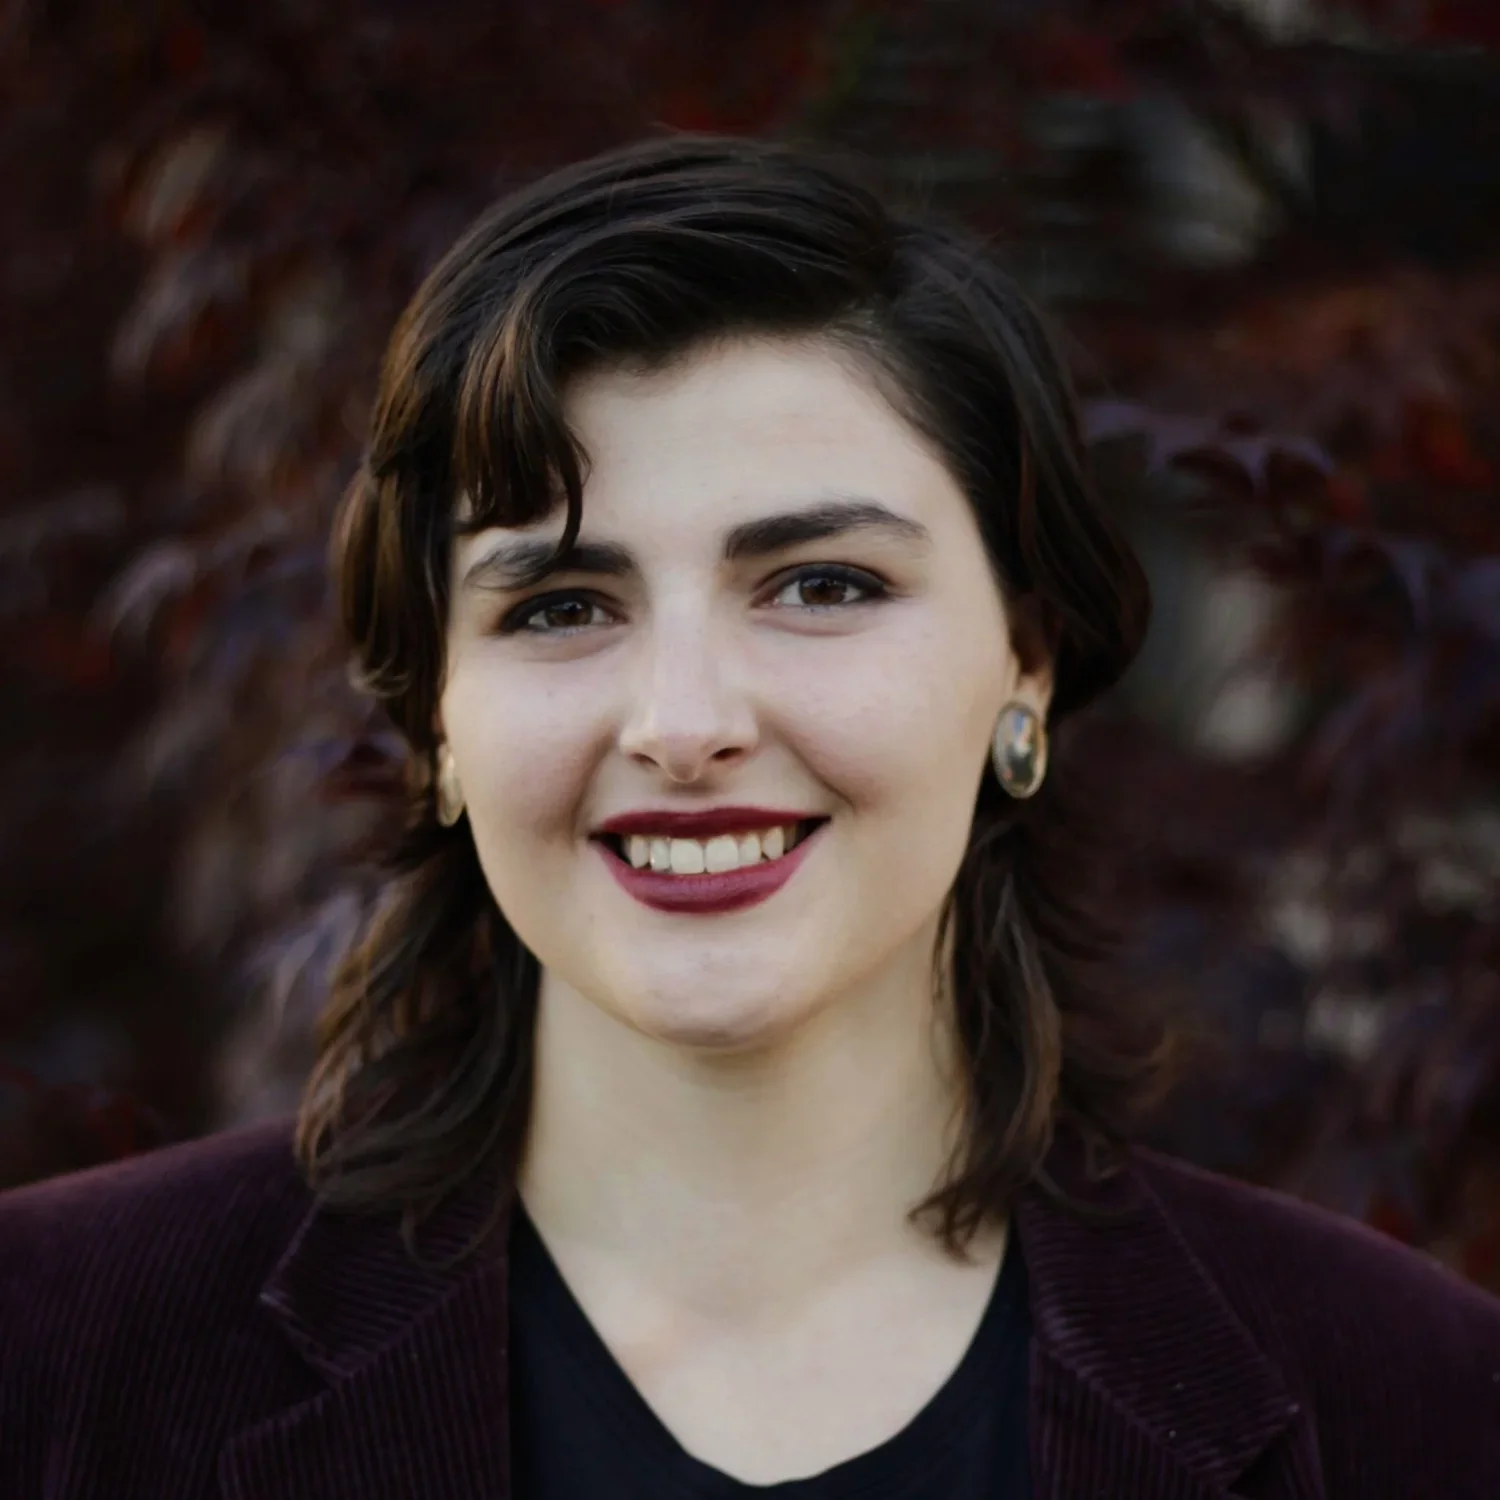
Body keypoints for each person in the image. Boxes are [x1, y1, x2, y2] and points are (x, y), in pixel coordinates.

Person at [2, 133, 1497, 1500]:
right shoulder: (51, 1360)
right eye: (563, 605)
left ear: (1025, 663)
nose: (687, 723)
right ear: (435, 724)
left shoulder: (1415, 1408)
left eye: (822, 586)